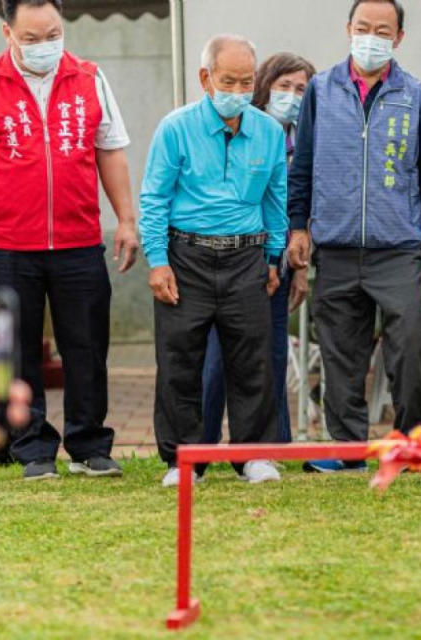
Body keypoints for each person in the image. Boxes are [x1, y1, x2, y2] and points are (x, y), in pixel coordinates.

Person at [287, 0, 421, 473]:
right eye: (363, 28)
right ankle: (349, 449)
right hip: (334, 246)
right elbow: (303, 167)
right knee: (340, 353)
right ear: (348, 30)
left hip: (396, 248)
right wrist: (299, 226)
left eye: (383, 30)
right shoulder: (321, 89)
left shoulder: (414, 94)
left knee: (409, 345)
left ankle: (410, 442)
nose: (371, 37)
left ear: (399, 38)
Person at [0, 0, 139, 480]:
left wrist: (125, 219)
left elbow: (110, 150)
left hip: (78, 240)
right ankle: (32, 447)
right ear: (7, 34)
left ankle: (89, 442)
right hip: (10, 243)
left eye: (53, 35)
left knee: (87, 346)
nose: (45, 47)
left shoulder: (89, 78)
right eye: (32, 39)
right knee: (15, 351)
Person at [140, 34, 287, 487]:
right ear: (206, 78)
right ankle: (183, 462)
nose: (238, 91)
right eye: (229, 81)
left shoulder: (269, 130)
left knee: (252, 359)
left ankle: (254, 457)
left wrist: (274, 257)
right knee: (179, 360)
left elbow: (275, 199)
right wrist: (157, 260)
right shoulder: (175, 128)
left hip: (247, 256)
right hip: (186, 256)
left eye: (247, 82)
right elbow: (154, 198)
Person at [200, 52, 315, 446]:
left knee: (271, 355)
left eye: (301, 89)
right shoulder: (243, 130)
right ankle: (203, 444)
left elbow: (299, 211)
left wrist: (297, 268)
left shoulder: (308, 139)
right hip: (229, 259)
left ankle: (271, 444)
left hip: (277, 263)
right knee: (216, 358)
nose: (292, 96)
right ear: (265, 86)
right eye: (284, 86)